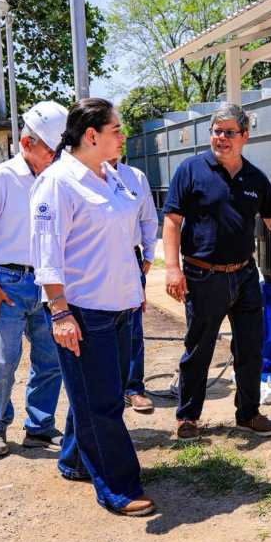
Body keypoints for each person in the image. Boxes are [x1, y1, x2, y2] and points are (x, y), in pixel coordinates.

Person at [29, 98, 154, 517]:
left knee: (97, 396)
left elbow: (128, 232)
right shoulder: (58, 183)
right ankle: (118, 486)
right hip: (83, 313)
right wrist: (60, 312)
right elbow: (47, 255)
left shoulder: (111, 177)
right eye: (117, 129)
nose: (123, 135)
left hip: (121, 308)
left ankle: (74, 460)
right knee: (100, 405)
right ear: (92, 135)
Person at [163, 102, 271, 442]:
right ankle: (188, 417)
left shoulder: (256, 178)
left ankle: (248, 414)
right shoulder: (190, 170)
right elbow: (172, 221)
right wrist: (172, 269)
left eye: (229, 132)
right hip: (203, 276)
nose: (222, 138)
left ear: (245, 136)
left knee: (250, 348)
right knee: (199, 348)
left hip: (244, 275)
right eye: (217, 131)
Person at [0, 101, 68, 459]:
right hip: (6, 282)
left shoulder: (55, 182)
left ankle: (39, 428)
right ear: (27, 144)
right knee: (2, 360)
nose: (56, 158)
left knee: (50, 358)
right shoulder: (0, 178)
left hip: (46, 282)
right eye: (51, 150)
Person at [108, 156, 159, 413]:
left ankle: (133, 389)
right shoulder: (82, 175)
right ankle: (109, 392)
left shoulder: (135, 177)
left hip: (131, 257)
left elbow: (148, 218)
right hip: (98, 258)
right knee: (100, 327)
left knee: (133, 327)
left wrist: (148, 256)